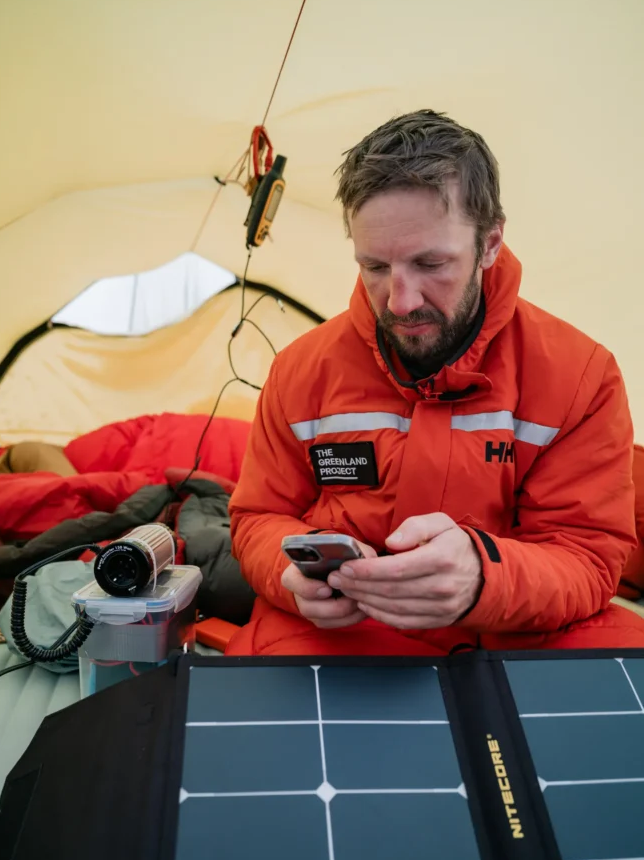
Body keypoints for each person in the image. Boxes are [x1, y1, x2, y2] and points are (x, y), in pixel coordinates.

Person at [228, 109, 644, 655]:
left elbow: (589, 556)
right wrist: (292, 567)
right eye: (375, 267)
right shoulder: (302, 370)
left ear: (490, 244)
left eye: (431, 263)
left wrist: (483, 576)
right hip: (341, 636)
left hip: (508, 635)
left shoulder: (580, 376)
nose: (401, 302)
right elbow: (257, 515)